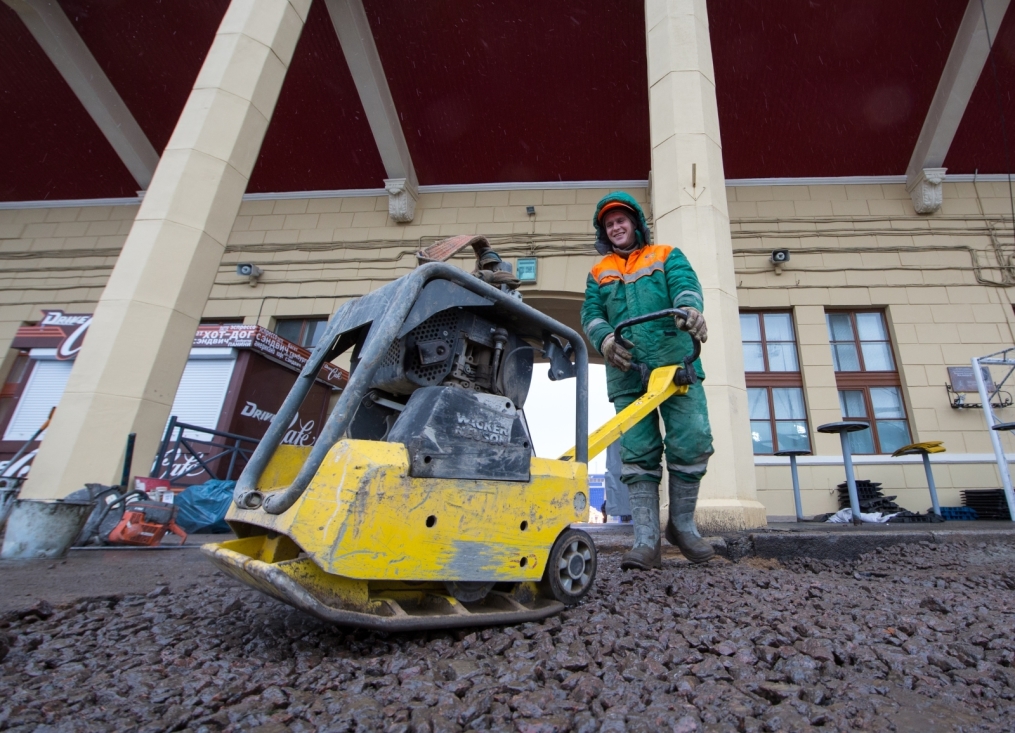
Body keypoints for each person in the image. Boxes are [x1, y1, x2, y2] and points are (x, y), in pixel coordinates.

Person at [580, 191, 715, 570]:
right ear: (604, 232)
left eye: (621, 220)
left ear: (635, 224)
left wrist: (689, 310)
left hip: (675, 364)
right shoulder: (599, 272)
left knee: (693, 438)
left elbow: (686, 285)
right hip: (628, 371)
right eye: (609, 224)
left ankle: (683, 526)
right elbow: (591, 313)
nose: (616, 227)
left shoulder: (666, 255)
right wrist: (606, 340)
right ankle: (645, 541)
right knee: (638, 451)